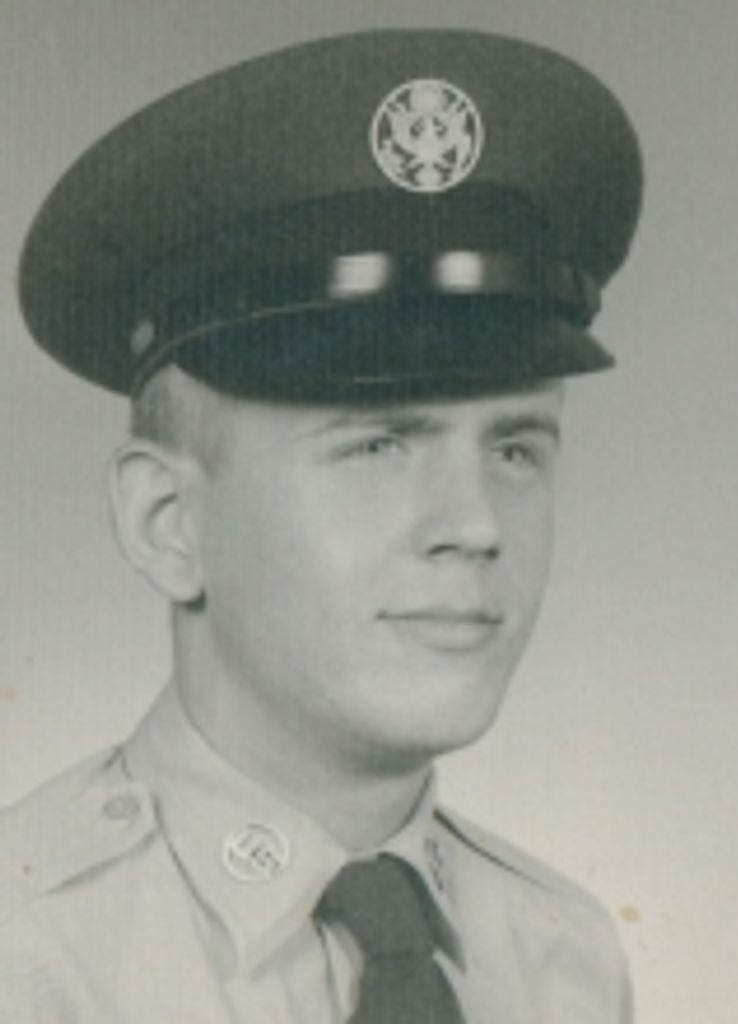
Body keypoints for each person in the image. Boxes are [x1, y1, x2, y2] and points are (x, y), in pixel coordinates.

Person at [0, 27, 643, 1023]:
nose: (475, 524)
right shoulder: (30, 959)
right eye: (378, 445)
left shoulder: (563, 962)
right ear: (167, 521)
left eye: (515, 448)